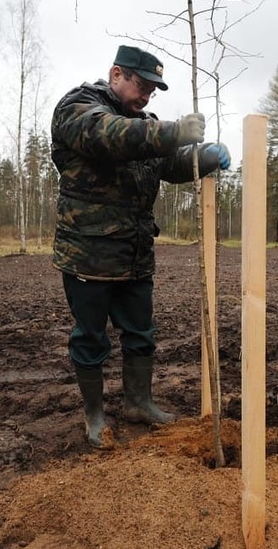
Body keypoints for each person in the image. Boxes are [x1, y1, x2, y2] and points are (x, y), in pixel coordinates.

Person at [50, 45, 231, 449]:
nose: (148, 95)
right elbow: (111, 137)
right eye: (142, 85)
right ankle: (94, 416)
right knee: (91, 338)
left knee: (141, 334)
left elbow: (169, 164)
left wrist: (203, 156)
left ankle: (138, 402)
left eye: (153, 89)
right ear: (116, 73)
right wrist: (172, 132)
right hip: (89, 255)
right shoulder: (80, 107)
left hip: (134, 255)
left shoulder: (143, 123)